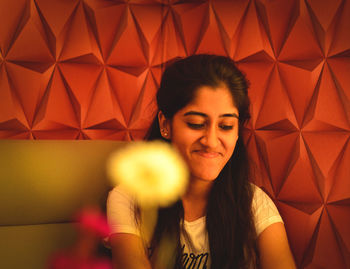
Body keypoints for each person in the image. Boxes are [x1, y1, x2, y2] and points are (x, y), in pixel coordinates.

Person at [107, 54, 296, 269]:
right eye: (196, 124)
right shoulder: (129, 198)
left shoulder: (255, 204)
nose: (211, 141)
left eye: (225, 126)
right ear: (165, 124)